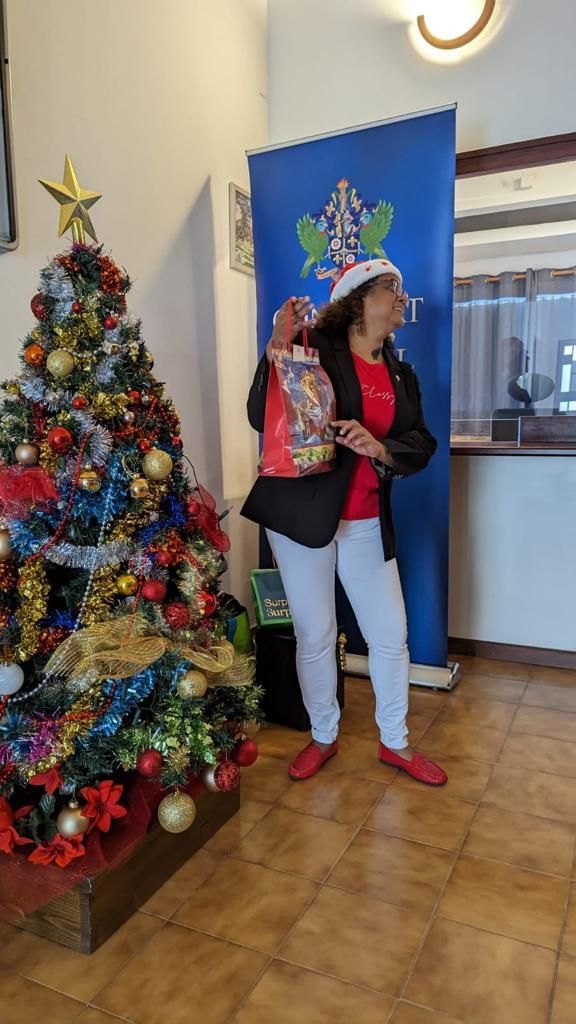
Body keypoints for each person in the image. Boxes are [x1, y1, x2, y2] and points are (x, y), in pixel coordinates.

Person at [242, 258, 447, 785]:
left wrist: (380, 447)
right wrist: (276, 345)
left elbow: (422, 441)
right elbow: (260, 415)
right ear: (358, 301)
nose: (401, 298)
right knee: (316, 634)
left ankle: (395, 742)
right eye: (391, 288)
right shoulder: (312, 347)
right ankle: (322, 735)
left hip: (366, 519)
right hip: (302, 515)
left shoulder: (400, 373)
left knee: (390, 634)